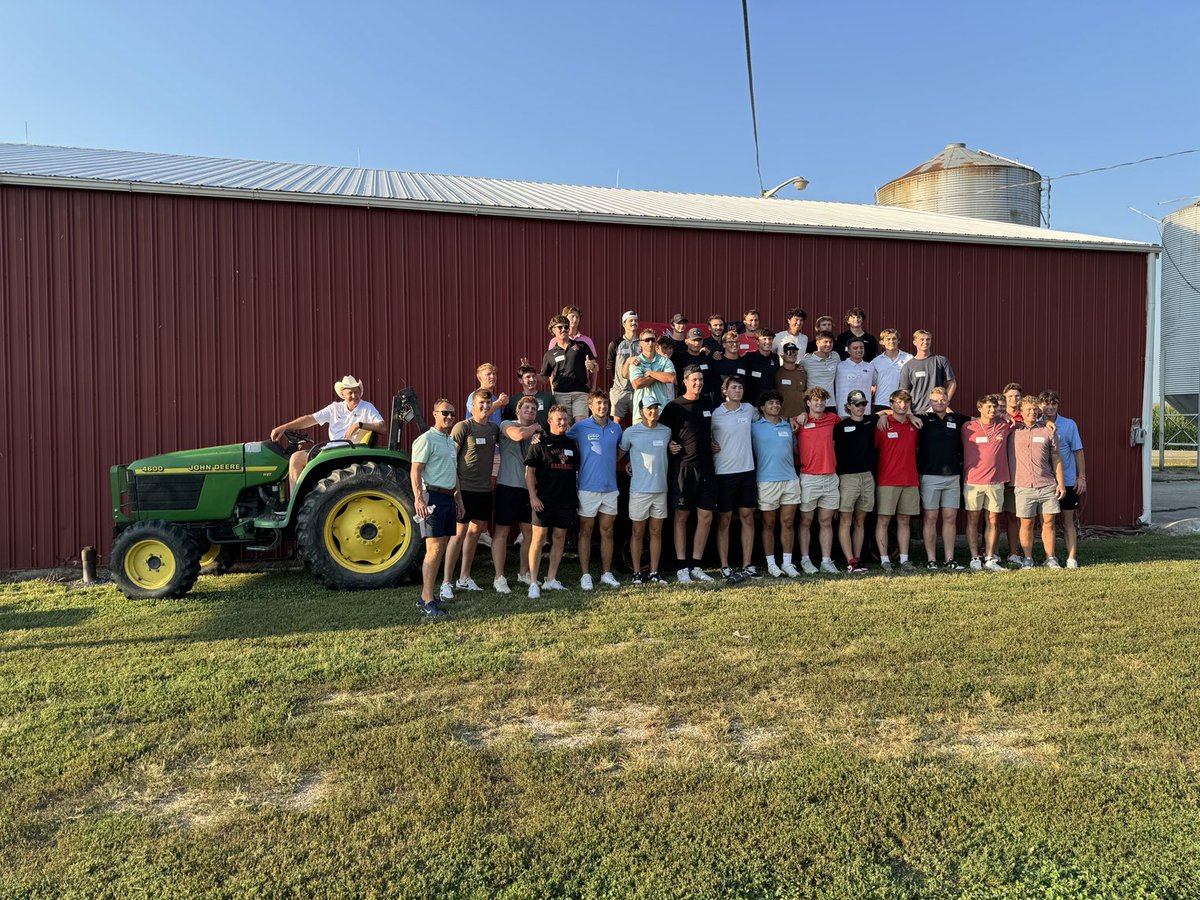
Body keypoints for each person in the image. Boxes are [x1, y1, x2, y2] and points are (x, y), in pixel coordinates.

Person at [270, 375, 385, 490]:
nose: (354, 396)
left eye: (356, 392)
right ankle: (297, 499)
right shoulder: (335, 408)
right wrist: (285, 427)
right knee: (296, 458)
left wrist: (359, 424)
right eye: (350, 393)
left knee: (296, 458)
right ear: (343, 395)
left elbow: (382, 427)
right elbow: (310, 419)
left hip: (349, 452)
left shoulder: (367, 407)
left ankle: (295, 505)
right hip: (332, 450)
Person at [660, 366, 720, 583]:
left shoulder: (707, 403)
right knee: (682, 516)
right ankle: (681, 566)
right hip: (683, 468)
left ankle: (696, 565)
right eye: (694, 380)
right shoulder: (674, 406)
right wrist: (669, 444)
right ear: (685, 381)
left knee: (706, 516)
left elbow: (710, 429)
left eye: (701, 379)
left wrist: (712, 442)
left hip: (707, 467)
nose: (698, 383)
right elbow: (660, 431)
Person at [441, 390, 500, 599]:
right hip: (464, 489)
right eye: (481, 403)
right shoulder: (463, 427)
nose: (485, 406)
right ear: (472, 406)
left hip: (484, 490)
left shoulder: (494, 428)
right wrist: (455, 490)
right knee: (458, 535)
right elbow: (451, 458)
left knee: (475, 533)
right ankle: (446, 582)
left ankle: (464, 578)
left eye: (488, 402)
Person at [409, 398, 462, 618]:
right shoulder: (426, 440)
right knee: (433, 549)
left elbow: (454, 473)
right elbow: (416, 471)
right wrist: (418, 499)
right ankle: (426, 600)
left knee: (440, 547)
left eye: (451, 414)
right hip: (432, 497)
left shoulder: (450, 442)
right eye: (444, 413)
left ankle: (428, 594)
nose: (449, 417)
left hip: (449, 498)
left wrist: (459, 500)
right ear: (434, 414)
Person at [568, 392, 623, 590]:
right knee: (586, 531)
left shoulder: (616, 428)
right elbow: (562, 437)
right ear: (591, 406)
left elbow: (622, 449)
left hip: (610, 488)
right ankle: (585, 575)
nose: (603, 406)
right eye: (598, 403)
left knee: (607, 531)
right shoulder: (580, 427)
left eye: (605, 403)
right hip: (587, 487)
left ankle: (606, 574)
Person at [525, 405, 580, 598]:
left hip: (565, 500)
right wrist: (533, 496)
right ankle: (533, 582)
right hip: (543, 500)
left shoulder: (572, 444)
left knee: (559, 539)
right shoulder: (539, 442)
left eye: (566, 419)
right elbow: (530, 472)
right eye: (559, 419)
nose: (563, 423)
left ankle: (550, 579)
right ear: (549, 421)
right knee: (538, 540)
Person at [916, 386, 970, 570]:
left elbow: (982, 420)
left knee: (949, 517)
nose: (939, 403)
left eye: (943, 400)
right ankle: (931, 560)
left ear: (948, 401)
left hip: (952, 476)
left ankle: (949, 559)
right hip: (929, 475)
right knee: (930, 518)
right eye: (936, 400)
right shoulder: (921, 419)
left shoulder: (957, 418)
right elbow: (900, 413)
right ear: (930, 402)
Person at [711, 376, 759, 582]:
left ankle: (747, 564)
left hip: (747, 471)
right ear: (725, 391)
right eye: (734, 387)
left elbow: (767, 419)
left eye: (740, 387)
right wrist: (711, 442)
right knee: (724, 519)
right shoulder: (716, 414)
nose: (738, 390)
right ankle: (724, 565)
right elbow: (706, 435)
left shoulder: (749, 410)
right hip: (724, 473)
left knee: (748, 517)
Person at [619, 399, 671, 584]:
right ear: (641, 411)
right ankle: (636, 573)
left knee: (656, 532)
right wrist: (627, 463)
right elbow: (620, 454)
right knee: (637, 532)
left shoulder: (666, 431)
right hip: (639, 490)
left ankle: (654, 571)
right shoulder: (630, 432)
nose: (653, 411)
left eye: (656, 408)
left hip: (660, 489)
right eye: (649, 408)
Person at [493, 396, 542, 593]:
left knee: (529, 534)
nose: (529, 410)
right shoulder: (507, 424)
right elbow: (517, 436)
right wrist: (536, 428)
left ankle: (523, 573)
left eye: (533, 408)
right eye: (526, 407)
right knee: (501, 533)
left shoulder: (538, 432)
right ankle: (499, 577)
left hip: (528, 489)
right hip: (508, 486)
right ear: (518, 411)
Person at [752, 390, 802, 578]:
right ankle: (771, 564)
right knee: (769, 524)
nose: (775, 406)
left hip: (790, 479)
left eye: (777, 403)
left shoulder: (788, 425)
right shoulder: (754, 427)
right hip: (766, 481)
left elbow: (796, 450)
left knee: (788, 522)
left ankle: (787, 563)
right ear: (762, 407)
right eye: (770, 403)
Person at [1012, 395, 1066, 569]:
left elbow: (1056, 458)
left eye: (1035, 410)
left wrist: (1061, 483)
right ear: (1021, 411)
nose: (1032, 412)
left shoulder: (1048, 431)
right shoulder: (1013, 430)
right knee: (1026, 523)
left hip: (1047, 485)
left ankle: (1051, 558)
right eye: (1028, 409)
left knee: (1049, 523)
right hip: (1023, 485)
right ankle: (1028, 559)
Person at [962, 394, 1013, 571]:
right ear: (980, 408)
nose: (992, 410)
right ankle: (975, 557)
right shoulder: (968, 427)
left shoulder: (1005, 425)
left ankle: (990, 557)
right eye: (988, 407)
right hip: (973, 481)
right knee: (973, 520)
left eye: (994, 407)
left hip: (996, 482)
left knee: (992, 519)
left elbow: (1026, 423)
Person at [873, 389, 921, 571]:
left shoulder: (914, 425)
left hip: (910, 480)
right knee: (883, 520)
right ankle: (885, 560)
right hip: (887, 480)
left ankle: (904, 560)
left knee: (904, 521)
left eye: (906, 402)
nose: (903, 405)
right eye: (899, 402)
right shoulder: (882, 425)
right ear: (891, 403)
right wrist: (884, 415)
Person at [796, 387, 841, 574]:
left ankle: (826, 560)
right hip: (809, 477)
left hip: (830, 476)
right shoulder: (800, 421)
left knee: (826, 521)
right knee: (806, 520)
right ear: (808, 403)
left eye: (822, 400)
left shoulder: (833, 419)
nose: (819, 403)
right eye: (815, 400)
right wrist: (797, 417)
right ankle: (805, 560)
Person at [1039, 390, 1086, 568]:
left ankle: (1071, 558)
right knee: (1046, 522)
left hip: (1067, 480)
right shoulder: (1035, 425)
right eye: (1046, 403)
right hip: (1045, 482)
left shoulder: (1069, 424)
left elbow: (1078, 451)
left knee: (1068, 521)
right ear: (1040, 405)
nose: (1050, 407)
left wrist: (1081, 477)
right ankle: (1050, 558)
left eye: (1054, 403)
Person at [833, 389, 875, 574]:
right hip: (847, 477)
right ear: (848, 406)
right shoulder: (840, 427)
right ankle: (850, 560)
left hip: (867, 476)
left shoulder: (871, 422)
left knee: (860, 520)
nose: (860, 407)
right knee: (846, 519)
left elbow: (890, 411)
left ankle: (858, 558)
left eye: (863, 404)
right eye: (857, 404)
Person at [540, 314, 598, 422]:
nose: (564, 329)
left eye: (566, 327)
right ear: (553, 330)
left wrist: (592, 366)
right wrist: (530, 373)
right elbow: (544, 378)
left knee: (580, 424)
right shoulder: (549, 354)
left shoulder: (581, 346)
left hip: (580, 392)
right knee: (566, 425)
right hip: (561, 394)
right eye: (560, 327)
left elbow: (595, 367)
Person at [899, 329, 956, 413]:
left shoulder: (940, 360)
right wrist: (908, 411)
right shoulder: (908, 366)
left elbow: (952, 383)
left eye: (928, 339)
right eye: (922, 339)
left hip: (937, 411)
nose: (925, 342)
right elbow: (904, 391)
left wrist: (944, 402)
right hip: (917, 411)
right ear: (915, 342)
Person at [1001, 382, 1025, 564]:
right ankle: (988, 550)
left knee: (1015, 515)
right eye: (1010, 396)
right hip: (997, 470)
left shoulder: (1026, 417)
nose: (1014, 399)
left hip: (1019, 473)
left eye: (1017, 396)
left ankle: (1015, 552)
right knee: (991, 514)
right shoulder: (998, 416)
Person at [629, 327, 676, 415]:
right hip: (641, 413)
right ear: (641, 343)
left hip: (661, 411)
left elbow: (671, 378)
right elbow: (637, 384)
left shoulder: (665, 361)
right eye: (647, 340)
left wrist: (650, 373)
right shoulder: (635, 361)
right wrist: (660, 375)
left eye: (653, 340)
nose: (650, 343)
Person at [607, 310, 641, 421]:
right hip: (620, 390)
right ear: (624, 324)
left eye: (635, 320)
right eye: (630, 320)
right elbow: (610, 364)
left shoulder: (643, 342)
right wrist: (617, 380)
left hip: (638, 389)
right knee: (617, 421)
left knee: (639, 420)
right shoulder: (615, 343)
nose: (633, 323)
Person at [675, 327, 722, 405]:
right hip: (685, 401)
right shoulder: (679, 357)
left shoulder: (707, 357)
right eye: (693, 340)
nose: (696, 343)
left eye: (699, 340)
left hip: (705, 400)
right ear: (686, 341)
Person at [870, 328, 911, 412]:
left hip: (903, 403)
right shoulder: (875, 362)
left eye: (894, 338)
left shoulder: (908, 358)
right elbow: (872, 383)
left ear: (898, 341)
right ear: (881, 342)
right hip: (882, 402)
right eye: (888, 339)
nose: (891, 341)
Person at [504, 366, 555, 430]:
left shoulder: (548, 397)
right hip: (522, 438)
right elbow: (506, 423)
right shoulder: (513, 401)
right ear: (520, 380)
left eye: (533, 376)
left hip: (545, 437)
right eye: (528, 377)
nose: (532, 379)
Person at [834, 338, 876, 414]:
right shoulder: (839, 366)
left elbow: (876, 384)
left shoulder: (870, 367)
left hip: (864, 411)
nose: (859, 350)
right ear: (849, 351)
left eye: (861, 347)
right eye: (855, 348)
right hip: (844, 412)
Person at [801, 330, 839, 410]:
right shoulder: (806, 361)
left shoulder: (835, 357)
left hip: (830, 404)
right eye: (825, 342)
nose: (828, 344)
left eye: (830, 342)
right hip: (813, 404)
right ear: (817, 343)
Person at [742, 330, 779, 406]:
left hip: (769, 403)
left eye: (770, 339)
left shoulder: (775, 358)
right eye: (764, 339)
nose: (768, 341)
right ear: (757, 342)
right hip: (752, 403)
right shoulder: (749, 357)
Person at [775, 343, 808, 419]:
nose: (792, 354)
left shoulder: (802, 372)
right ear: (782, 355)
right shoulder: (776, 372)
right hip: (782, 417)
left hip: (801, 417)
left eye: (795, 352)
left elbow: (806, 392)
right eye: (789, 352)